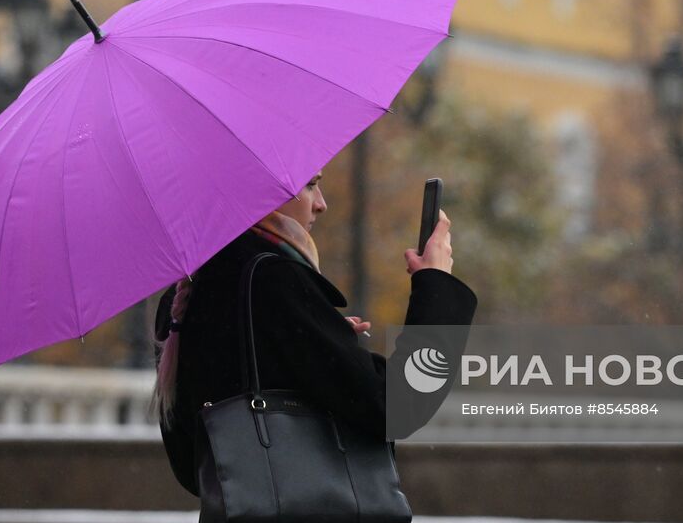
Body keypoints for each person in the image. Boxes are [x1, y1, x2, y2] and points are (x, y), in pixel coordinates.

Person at [150, 168, 478, 502]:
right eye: (309, 185)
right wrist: (436, 285)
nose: (321, 205)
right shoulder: (273, 281)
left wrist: (320, 341)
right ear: (259, 192)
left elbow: (194, 459)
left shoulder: (186, 292)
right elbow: (397, 405)